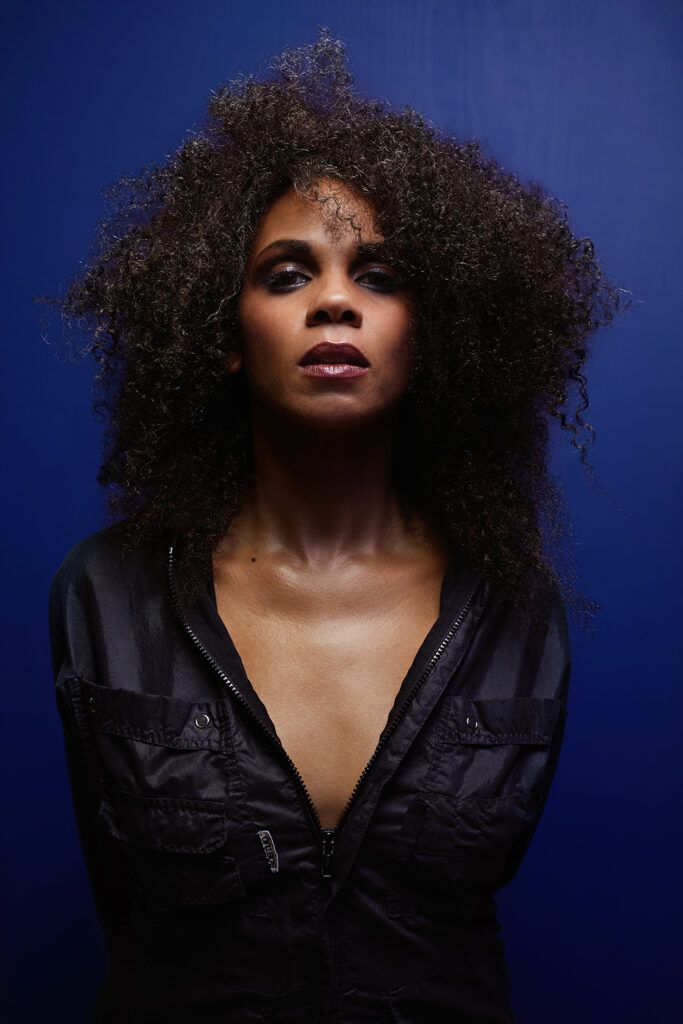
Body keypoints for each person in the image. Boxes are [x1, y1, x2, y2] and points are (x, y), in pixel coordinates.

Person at [44, 28, 622, 1024]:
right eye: (286, 274)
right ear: (225, 333)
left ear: (430, 335)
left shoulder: (513, 607)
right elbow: (126, 912)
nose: (335, 303)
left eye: (379, 276)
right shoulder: (107, 592)